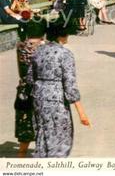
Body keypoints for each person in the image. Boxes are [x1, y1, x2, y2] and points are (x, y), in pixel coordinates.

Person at [27, 18, 91, 158]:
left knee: (42, 134)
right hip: (56, 99)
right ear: (62, 35)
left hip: (38, 97)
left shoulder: (38, 51)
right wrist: (81, 113)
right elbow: (70, 86)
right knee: (60, 137)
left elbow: (30, 78)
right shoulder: (65, 54)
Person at [14, 19, 46, 157]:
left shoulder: (20, 46)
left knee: (25, 121)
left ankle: (21, 155)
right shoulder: (44, 48)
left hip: (24, 89)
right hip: (41, 89)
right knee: (42, 122)